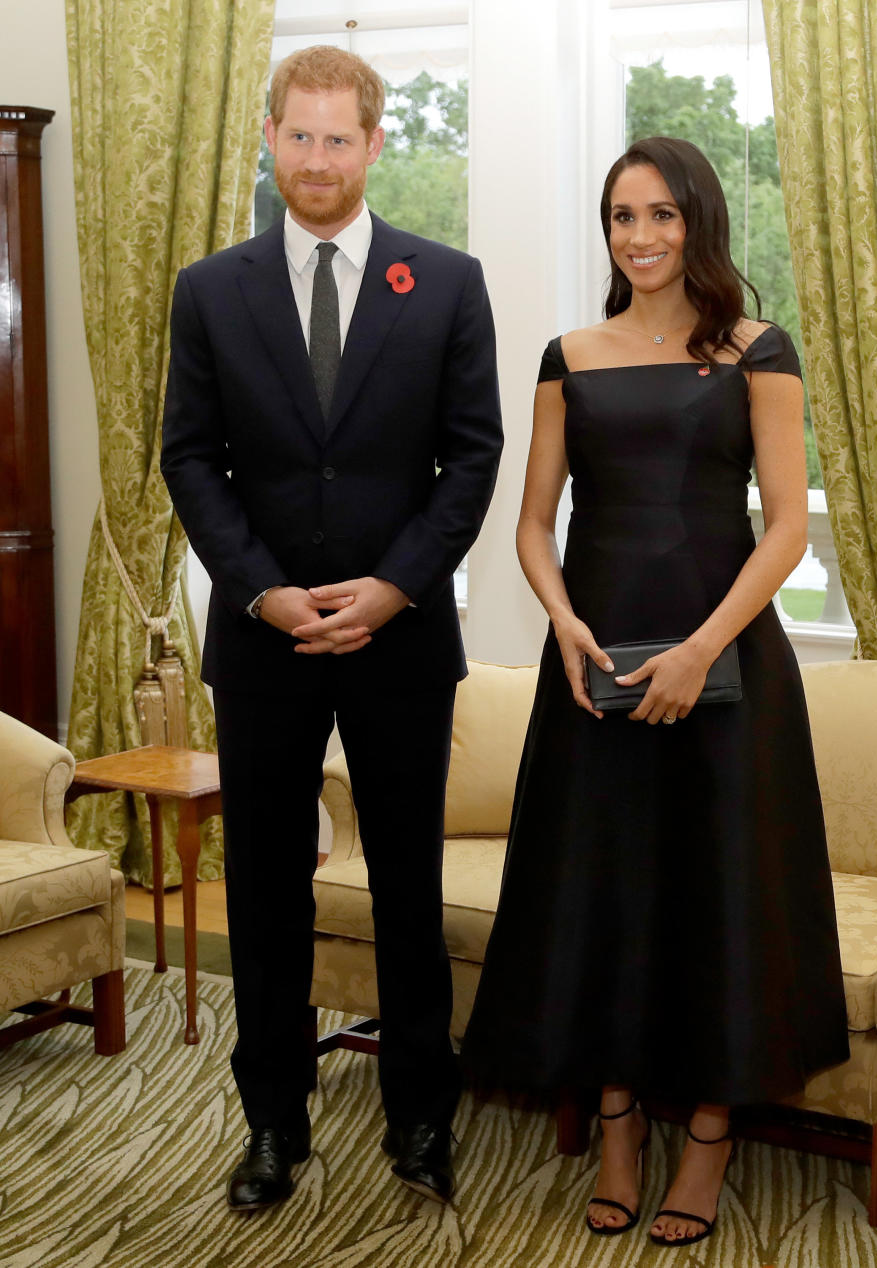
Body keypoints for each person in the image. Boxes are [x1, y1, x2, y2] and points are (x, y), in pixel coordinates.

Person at [461, 136, 848, 1247]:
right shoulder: (568, 353)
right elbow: (535, 523)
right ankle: (620, 1124)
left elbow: (782, 528)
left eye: (663, 215)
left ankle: (711, 1137)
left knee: (717, 898)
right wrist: (568, 625)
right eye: (623, 216)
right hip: (596, 671)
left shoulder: (755, 350)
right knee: (608, 895)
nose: (641, 236)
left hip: (727, 668)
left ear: (699, 223)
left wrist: (696, 649)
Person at [161, 45, 502, 1211]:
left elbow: (474, 459)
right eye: (297, 136)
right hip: (262, 642)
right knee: (266, 892)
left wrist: (394, 586)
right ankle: (272, 1124)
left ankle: (419, 1117)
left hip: (401, 640)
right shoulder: (209, 289)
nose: (317, 159)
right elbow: (189, 461)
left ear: (373, 142)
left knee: (407, 884)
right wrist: (259, 589)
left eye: (338, 137)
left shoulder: (446, 282)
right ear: (269, 136)